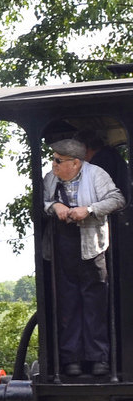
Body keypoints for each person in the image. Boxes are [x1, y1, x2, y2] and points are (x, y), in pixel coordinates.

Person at [43, 138, 125, 377]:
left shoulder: (97, 174)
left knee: (95, 304)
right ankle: (71, 360)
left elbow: (117, 199)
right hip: (62, 247)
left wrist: (88, 210)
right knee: (67, 304)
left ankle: (99, 359)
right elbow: (42, 203)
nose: (54, 164)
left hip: (92, 247)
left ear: (76, 163)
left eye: (59, 160)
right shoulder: (51, 178)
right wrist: (54, 207)